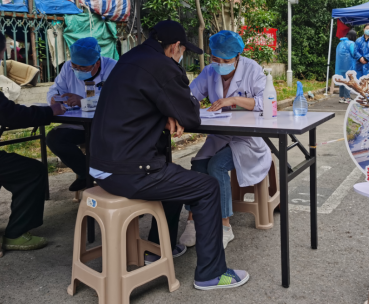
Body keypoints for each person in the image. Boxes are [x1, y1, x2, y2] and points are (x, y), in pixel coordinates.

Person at [89, 20, 249, 290]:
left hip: (99, 166)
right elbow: (190, 115)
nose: (181, 56)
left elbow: (139, 104)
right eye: (183, 51)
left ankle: (159, 249)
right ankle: (211, 274)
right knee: (207, 187)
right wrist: (173, 111)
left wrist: (165, 114)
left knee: (177, 181)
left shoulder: (128, 59)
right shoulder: (162, 66)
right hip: (129, 170)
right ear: (175, 47)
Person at [0, 26, 66, 251]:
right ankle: (17, 233)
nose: (0, 61)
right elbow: (7, 114)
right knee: (32, 171)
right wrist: (50, 112)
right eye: (1, 56)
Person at [179, 30, 268, 249]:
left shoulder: (252, 69)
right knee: (198, 165)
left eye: (226, 61)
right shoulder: (209, 71)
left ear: (237, 56)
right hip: (220, 133)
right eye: (215, 59)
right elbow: (190, 95)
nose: (220, 65)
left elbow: (265, 102)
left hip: (247, 137)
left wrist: (233, 100)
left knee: (217, 166)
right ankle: (192, 221)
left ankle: (225, 226)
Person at [46, 37, 116, 191]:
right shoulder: (67, 67)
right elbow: (56, 88)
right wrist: (53, 98)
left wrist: (83, 101)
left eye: (83, 67)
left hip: (104, 125)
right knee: (54, 138)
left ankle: (105, 179)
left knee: (99, 144)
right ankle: (85, 173)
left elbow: (114, 99)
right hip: (78, 124)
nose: (78, 70)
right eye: (75, 65)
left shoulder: (112, 68)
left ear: (97, 63)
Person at [335, 29, 357, 103]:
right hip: (348, 65)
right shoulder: (351, 43)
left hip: (340, 66)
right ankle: (347, 98)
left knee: (342, 81)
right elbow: (354, 53)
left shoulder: (340, 43)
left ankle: (341, 97)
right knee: (348, 81)